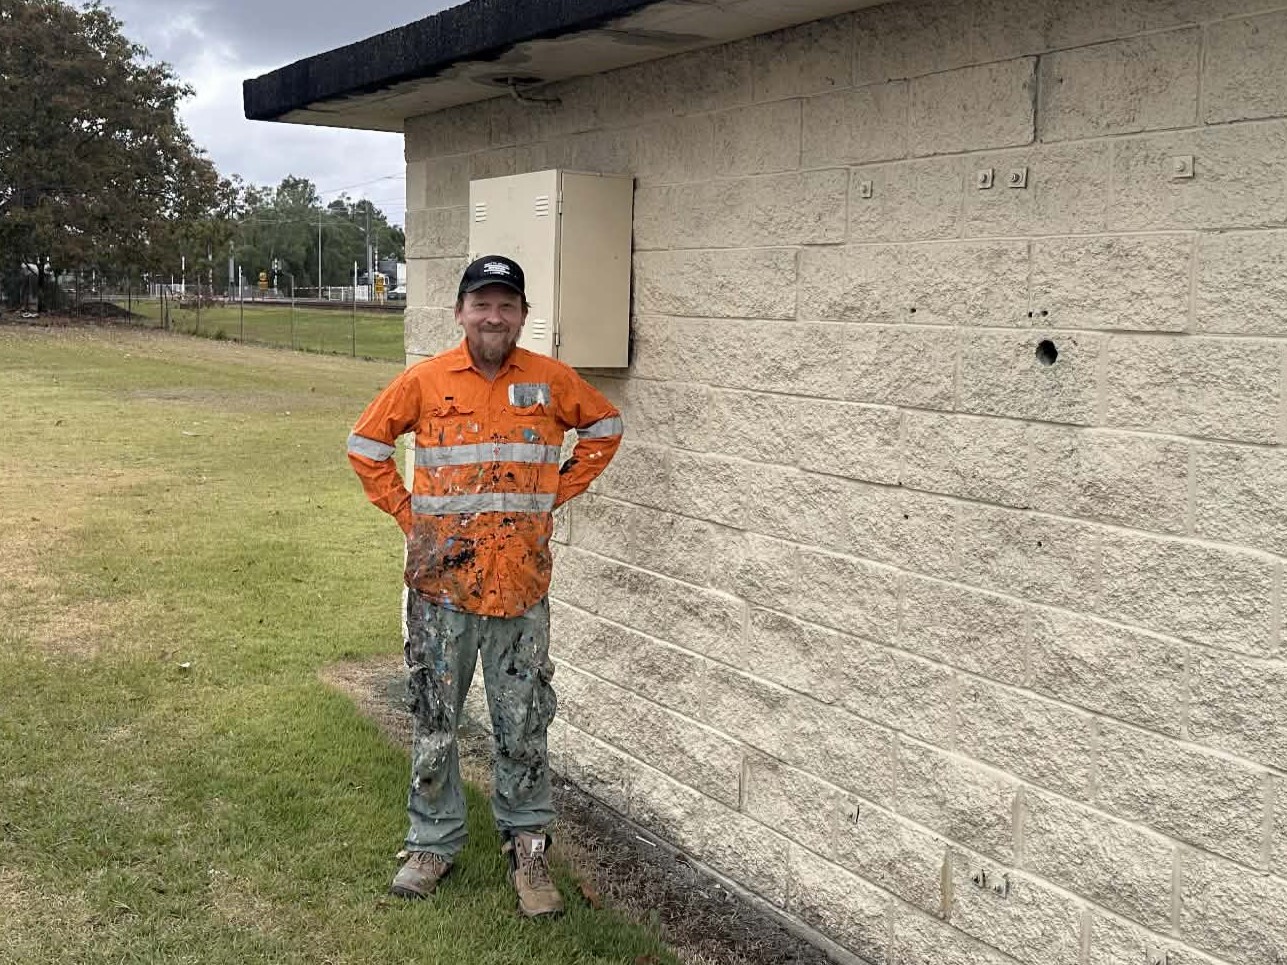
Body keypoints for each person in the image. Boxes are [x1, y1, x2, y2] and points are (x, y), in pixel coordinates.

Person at [346, 255, 623, 917]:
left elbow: (605, 427)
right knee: (435, 722)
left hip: (520, 591)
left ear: (522, 315)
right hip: (441, 590)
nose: (492, 316)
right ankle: (431, 844)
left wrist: (554, 490)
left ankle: (528, 850)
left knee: (523, 726)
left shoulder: (551, 382)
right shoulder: (425, 380)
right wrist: (412, 516)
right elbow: (365, 445)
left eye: (505, 304)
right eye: (481, 303)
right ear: (460, 313)